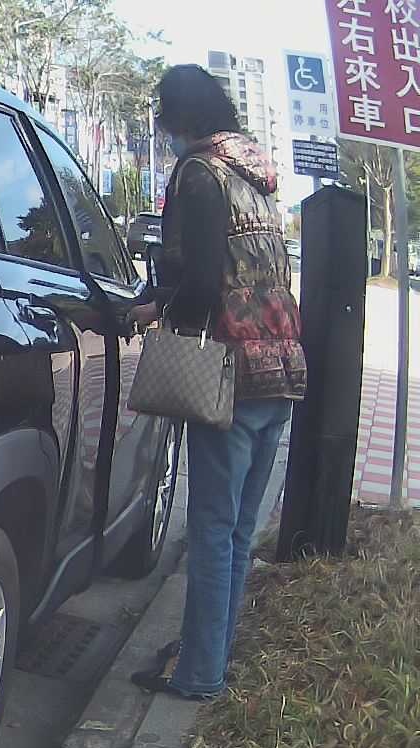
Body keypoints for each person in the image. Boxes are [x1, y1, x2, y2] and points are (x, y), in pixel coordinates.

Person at [130, 64, 308, 700]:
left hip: (229, 376)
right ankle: (212, 656)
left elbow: (203, 284)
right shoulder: (256, 178)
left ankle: (199, 674)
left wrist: (154, 306)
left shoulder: (199, 175)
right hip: (281, 369)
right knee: (236, 532)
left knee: (210, 530)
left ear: (178, 117)